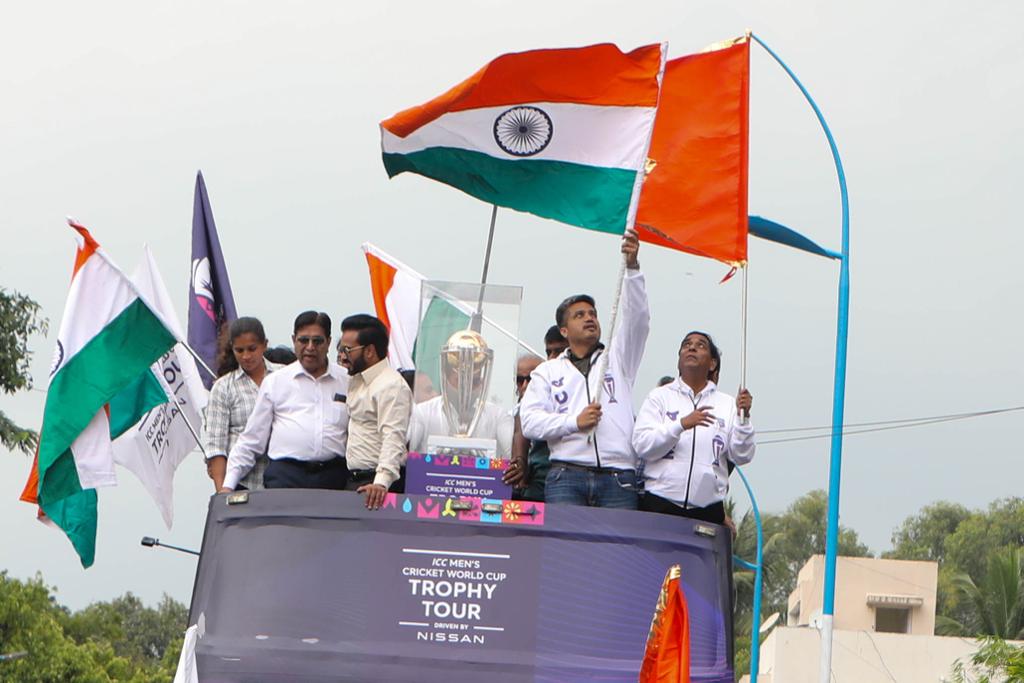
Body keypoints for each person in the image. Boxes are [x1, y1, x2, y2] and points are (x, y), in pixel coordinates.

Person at [520, 229, 649, 508]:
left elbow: (638, 320)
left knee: (615, 553)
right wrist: (574, 423)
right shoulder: (548, 371)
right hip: (566, 475)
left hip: (618, 477)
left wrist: (633, 268)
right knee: (566, 552)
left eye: (593, 314)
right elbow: (529, 423)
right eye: (580, 315)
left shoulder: (618, 358)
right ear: (564, 330)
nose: (589, 318)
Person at [631, 331, 754, 524]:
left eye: (701, 345)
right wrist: (680, 425)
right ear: (679, 360)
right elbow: (642, 445)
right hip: (660, 503)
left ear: (712, 363)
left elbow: (742, 455)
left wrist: (744, 418)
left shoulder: (728, 404)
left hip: (707, 510)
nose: (692, 347)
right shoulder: (659, 397)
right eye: (686, 344)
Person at [220, 311, 350, 491]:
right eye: (303, 340)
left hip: (333, 478)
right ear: (293, 340)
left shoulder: (347, 381)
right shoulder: (276, 382)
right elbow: (251, 440)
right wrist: (227, 486)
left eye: (317, 341)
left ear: (328, 342)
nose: (310, 347)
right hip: (286, 477)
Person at [337, 314, 413, 510]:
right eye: (340, 348)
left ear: (370, 351)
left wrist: (381, 482)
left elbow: (393, 437)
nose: (342, 356)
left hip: (378, 488)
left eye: (347, 349)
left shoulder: (391, 386)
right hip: (355, 481)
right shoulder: (356, 381)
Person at [203, 317, 281, 491]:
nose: (246, 356)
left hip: (283, 481)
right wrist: (222, 491)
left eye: (252, 349)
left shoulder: (283, 376)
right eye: (240, 350)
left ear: (264, 345)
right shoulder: (224, 387)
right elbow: (216, 445)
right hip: (241, 484)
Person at [505, 328, 569, 499]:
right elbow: (522, 425)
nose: (553, 357)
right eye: (549, 352)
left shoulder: (585, 386)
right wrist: (520, 461)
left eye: (559, 351)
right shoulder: (543, 385)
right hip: (539, 481)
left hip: (573, 478)